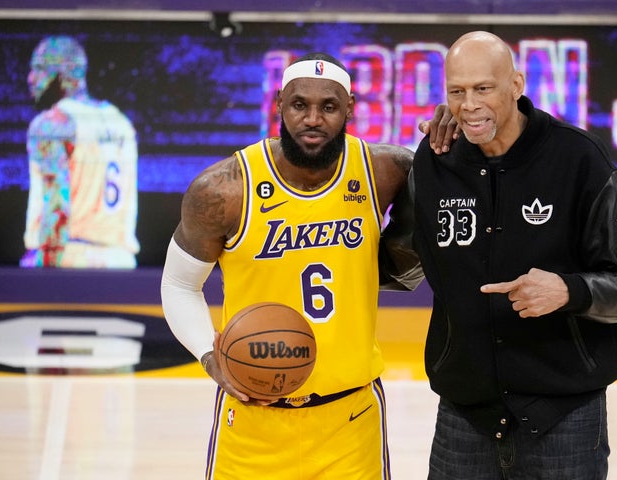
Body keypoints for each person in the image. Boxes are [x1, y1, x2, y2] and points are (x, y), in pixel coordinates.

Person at [160, 52, 435, 479]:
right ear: (278, 104)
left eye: (328, 106)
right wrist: (209, 356)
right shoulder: (224, 189)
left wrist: (450, 138)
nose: (313, 118)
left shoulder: (385, 171)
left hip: (351, 418)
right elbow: (179, 285)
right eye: (299, 104)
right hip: (254, 420)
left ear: (349, 108)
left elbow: (452, 182)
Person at [410, 31, 617, 479]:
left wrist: (569, 290)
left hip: (564, 420)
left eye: (483, 88)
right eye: (457, 91)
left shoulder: (580, 160)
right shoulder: (435, 161)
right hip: (464, 418)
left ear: (516, 84)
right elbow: (403, 259)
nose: (469, 104)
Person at [21, 35, 140, 268]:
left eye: (38, 68)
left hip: (70, 257)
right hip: (121, 261)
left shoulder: (52, 123)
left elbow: (57, 208)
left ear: (60, 72)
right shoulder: (121, 122)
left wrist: (41, 270)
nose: (31, 78)